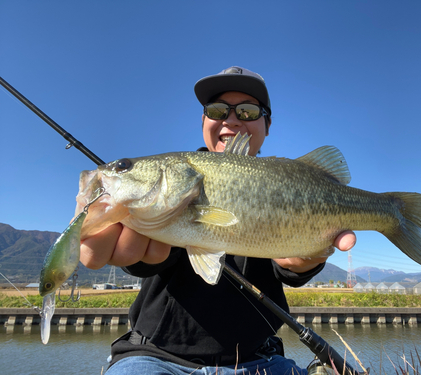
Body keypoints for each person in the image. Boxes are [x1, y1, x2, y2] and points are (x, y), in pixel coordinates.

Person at [81, 66, 357, 375]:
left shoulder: (286, 180)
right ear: (203, 121)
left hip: (261, 359)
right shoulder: (183, 179)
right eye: (217, 110)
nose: (231, 119)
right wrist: (128, 241)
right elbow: (148, 261)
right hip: (153, 357)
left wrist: (307, 261)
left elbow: (286, 267)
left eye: (249, 111)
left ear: (267, 124)